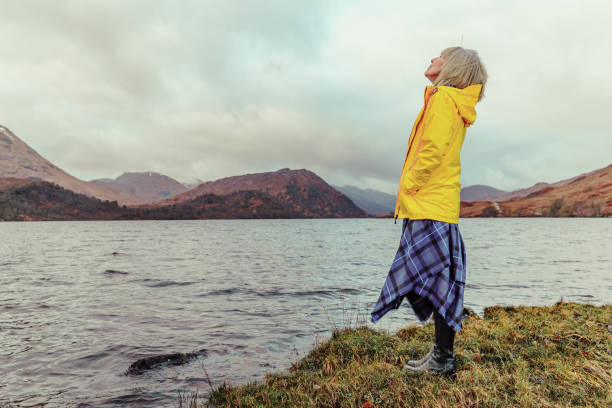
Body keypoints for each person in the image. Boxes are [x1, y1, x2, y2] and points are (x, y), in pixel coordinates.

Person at [370, 47, 487, 376]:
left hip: (427, 203)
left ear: (450, 66)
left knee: (436, 282)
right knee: (439, 281)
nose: (431, 59)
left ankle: (442, 358)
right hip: (438, 204)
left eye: (438, 56)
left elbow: (432, 149)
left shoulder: (442, 99)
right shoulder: (451, 102)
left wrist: (411, 185)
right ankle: (442, 356)